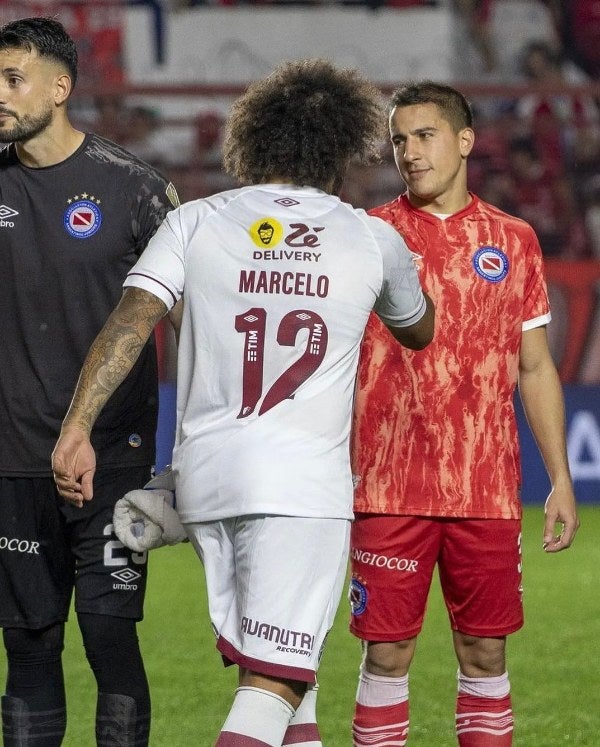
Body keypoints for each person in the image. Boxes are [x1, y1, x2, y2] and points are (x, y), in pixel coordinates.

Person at [51, 58, 435, 747]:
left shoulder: (196, 220)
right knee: (274, 685)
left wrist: (76, 426)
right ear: (343, 148)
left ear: (252, 141)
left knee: (292, 678)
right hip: (300, 489)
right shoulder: (371, 236)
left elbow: (131, 321)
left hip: (206, 482)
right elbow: (419, 328)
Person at [349, 81, 579, 746]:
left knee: (485, 655)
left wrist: (559, 477)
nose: (410, 152)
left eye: (424, 135)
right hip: (389, 486)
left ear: (465, 140)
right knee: (386, 657)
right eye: (399, 140)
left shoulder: (514, 239)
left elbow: (534, 367)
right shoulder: (368, 235)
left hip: (485, 489)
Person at [0, 16, 178, 746]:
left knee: (110, 640)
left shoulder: (134, 189)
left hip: (111, 459)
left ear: (60, 86)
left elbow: (189, 317)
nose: (0, 93)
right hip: (13, 459)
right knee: (30, 648)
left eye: (13, 79)